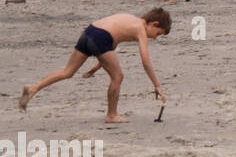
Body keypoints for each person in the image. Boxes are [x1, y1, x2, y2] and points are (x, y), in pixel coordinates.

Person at [19, 8, 171, 123]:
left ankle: (34, 87)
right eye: (158, 33)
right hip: (100, 37)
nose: (155, 37)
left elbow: (111, 44)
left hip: (90, 31)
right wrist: (157, 85)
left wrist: (97, 67)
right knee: (117, 76)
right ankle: (111, 115)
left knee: (68, 71)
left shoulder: (130, 19)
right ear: (154, 24)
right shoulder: (140, 29)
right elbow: (145, 61)